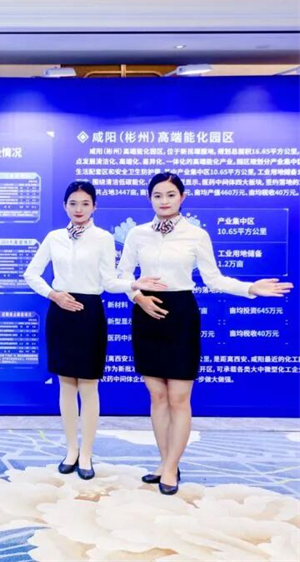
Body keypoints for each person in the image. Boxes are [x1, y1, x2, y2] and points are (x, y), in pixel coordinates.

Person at [118, 172, 292, 495]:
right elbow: (123, 275)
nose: (164, 201)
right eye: (157, 195)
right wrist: (138, 297)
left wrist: (250, 288)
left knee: (179, 397)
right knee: (157, 395)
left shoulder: (196, 235)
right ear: (150, 199)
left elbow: (214, 279)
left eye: (171, 195)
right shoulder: (137, 234)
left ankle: (172, 467)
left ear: (182, 197)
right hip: (146, 314)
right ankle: (164, 461)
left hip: (181, 314)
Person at [24, 181, 164, 480]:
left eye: (85, 203)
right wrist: (53, 295)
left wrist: (133, 284)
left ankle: (86, 453)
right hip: (60, 312)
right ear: (65, 206)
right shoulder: (54, 237)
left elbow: (110, 282)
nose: (79, 209)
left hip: (89, 313)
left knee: (88, 386)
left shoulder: (103, 238)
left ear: (94, 206)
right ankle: (71, 450)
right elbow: (31, 274)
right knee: (66, 385)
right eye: (73, 203)